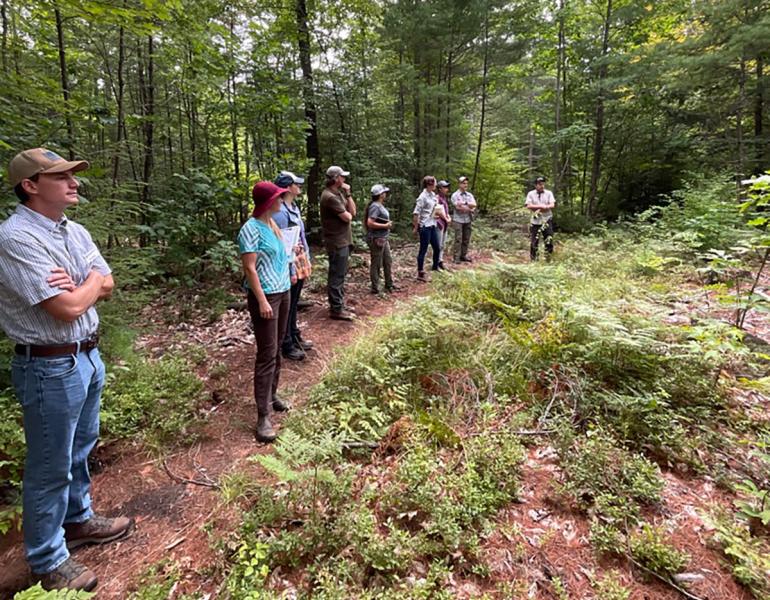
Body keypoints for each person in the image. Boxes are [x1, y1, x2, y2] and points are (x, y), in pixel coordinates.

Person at [0, 148, 133, 592]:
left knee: (81, 448)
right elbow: (69, 306)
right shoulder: (15, 239)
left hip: (86, 356)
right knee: (49, 464)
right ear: (30, 186)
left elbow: (108, 283)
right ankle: (46, 559)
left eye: (73, 175)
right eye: (60, 176)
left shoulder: (73, 231)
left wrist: (86, 281)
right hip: (48, 365)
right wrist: (89, 281)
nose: (74, 182)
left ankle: (77, 521)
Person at [238, 181, 295, 443]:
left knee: (278, 347)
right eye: (277, 197)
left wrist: (291, 269)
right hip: (267, 296)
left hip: (283, 292)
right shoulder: (250, 229)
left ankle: (272, 396)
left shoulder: (272, 224)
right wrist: (261, 301)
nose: (281, 200)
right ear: (267, 202)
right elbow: (249, 268)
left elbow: (278, 257)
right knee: (266, 354)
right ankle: (262, 416)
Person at [272, 171, 314, 361]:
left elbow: (300, 237)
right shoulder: (280, 212)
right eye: (296, 184)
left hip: (299, 262)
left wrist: (307, 259)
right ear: (287, 187)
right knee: (288, 305)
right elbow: (282, 244)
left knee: (294, 302)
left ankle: (294, 335)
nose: (299, 186)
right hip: (289, 265)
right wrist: (290, 271)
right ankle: (286, 343)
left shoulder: (293, 207)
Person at [320, 165, 356, 320]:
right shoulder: (330, 197)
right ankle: (336, 309)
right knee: (336, 275)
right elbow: (347, 217)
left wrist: (348, 194)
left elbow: (353, 212)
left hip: (342, 240)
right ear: (335, 179)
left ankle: (338, 304)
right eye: (342, 177)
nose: (344, 179)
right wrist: (347, 208)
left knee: (340, 274)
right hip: (336, 242)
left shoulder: (338, 194)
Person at [364, 184, 396, 294]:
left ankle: (389, 284)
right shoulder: (375, 206)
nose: (386, 194)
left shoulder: (379, 205)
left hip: (383, 238)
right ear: (380, 195)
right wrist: (385, 226)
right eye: (384, 192)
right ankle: (375, 287)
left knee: (387, 261)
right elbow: (370, 223)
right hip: (376, 238)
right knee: (376, 263)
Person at [412, 175, 442, 281]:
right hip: (425, 226)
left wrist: (437, 214)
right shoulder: (422, 197)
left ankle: (435, 266)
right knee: (423, 249)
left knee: (437, 247)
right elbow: (416, 213)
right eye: (435, 182)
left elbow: (433, 209)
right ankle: (420, 272)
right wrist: (416, 227)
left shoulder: (433, 195)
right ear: (430, 184)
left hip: (433, 224)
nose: (436, 184)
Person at [525, 176, 556, 260]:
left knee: (549, 239)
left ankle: (548, 258)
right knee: (534, 242)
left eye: (542, 184)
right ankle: (534, 260)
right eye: (539, 184)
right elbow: (528, 205)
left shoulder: (549, 193)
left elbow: (552, 204)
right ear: (535, 185)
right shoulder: (531, 194)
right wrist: (539, 206)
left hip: (547, 220)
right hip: (535, 221)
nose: (541, 186)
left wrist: (545, 207)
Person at [451, 175, 477, 263]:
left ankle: (463, 255)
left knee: (466, 238)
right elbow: (458, 207)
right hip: (458, 219)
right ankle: (456, 258)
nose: (465, 185)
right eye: (463, 183)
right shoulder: (455, 195)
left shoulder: (469, 195)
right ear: (459, 184)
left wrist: (465, 204)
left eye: (466, 183)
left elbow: (474, 205)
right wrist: (468, 206)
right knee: (458, 239)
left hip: (468, 219)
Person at [435, 180, 452, 270]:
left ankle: (440, 260)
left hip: (444, 223)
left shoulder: (444, 199)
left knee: (442, 244)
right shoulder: (437, 198)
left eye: (447, 187)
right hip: (439, 223)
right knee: (438, 244)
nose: (446, 189)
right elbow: (439, 211)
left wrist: (448, 217)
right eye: (445, 187)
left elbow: (446, 210)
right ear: (439, 188)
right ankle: (436, 262)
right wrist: (446, 218)